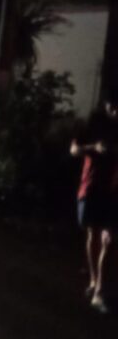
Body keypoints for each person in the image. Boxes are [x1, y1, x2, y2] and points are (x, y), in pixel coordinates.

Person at [70, 98, 118, 313]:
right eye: (113, 107)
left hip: (113, 192)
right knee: (93, 235)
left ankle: (99, 290)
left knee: (109, 239)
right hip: (91, 189)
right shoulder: (93, 125)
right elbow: (74, 149)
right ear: (106, 106)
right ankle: (93, 279)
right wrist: (94, 147)